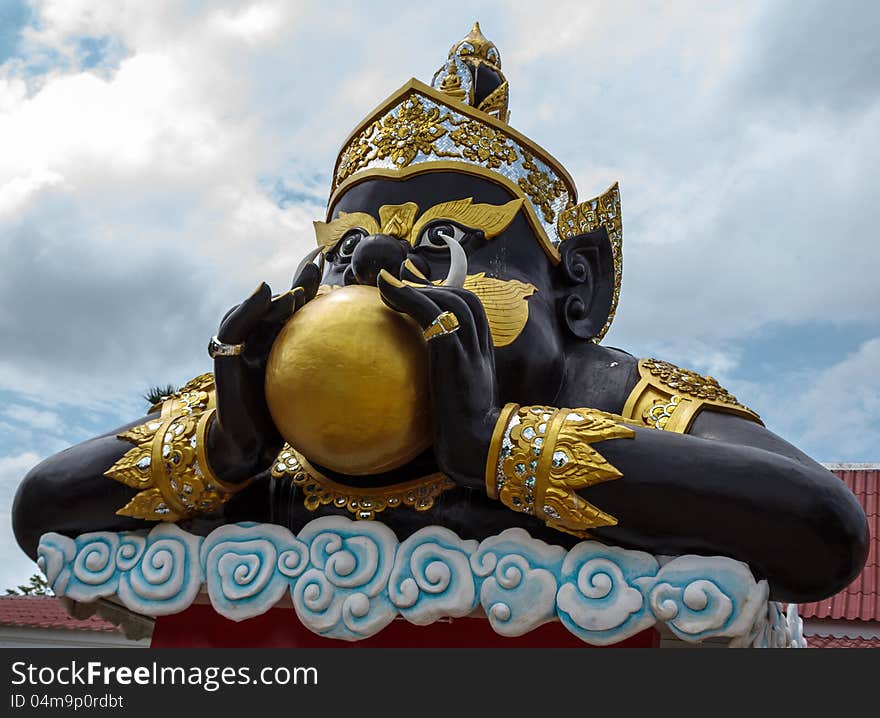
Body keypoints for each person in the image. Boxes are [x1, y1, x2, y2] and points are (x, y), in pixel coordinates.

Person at [12, 23, 868, 604]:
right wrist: (223, 448)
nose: (377, 270)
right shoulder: (265, 426)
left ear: (579, 289)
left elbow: (821, 528)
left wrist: (498, 446)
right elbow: (42, 508)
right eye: (348, 248)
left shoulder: (612, 390)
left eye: (444, 241)